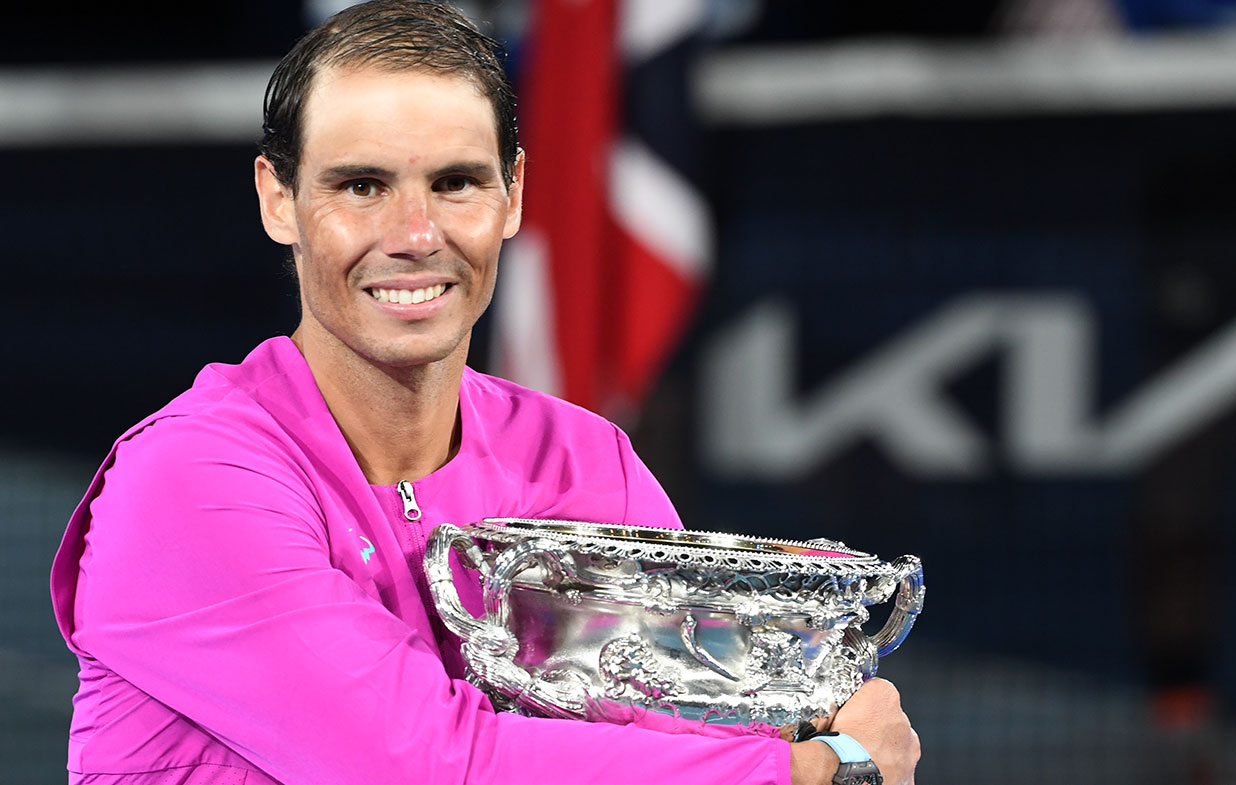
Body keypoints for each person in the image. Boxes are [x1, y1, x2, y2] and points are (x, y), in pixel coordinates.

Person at [49, 2, 920, 783]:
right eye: (362, 186)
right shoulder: (187, 478)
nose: (415, 236)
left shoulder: (586, 461)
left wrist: (811, 726)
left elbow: (689, 725)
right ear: (279, 201)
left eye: (455, 183)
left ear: (513, 196)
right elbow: (422, 764)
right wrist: (812, 774)